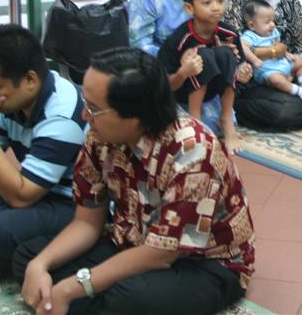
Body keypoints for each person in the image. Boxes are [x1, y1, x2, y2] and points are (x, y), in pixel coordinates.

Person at [14, 48, 255, 315]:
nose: (84, 116)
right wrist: (40, 264)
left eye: (93, 109)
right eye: (86, 103)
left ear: (136, 115)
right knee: (30, 259)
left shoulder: (192, 148)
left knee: (126, 300)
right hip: (131, 242)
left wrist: (74, 287)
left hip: (202, 263)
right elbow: (86, 222)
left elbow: (162, 254)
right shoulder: (100, 136)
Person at [0, 25, 86, 283]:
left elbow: (22, 197)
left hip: (72, 206)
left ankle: (1, 257)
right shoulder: (9, 99)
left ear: (30, 80)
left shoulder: (62, 114)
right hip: (31, 188)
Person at [128, 0, 243, 133]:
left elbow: (214, 31)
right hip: (164, 74)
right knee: (176, 130)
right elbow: (138, 47)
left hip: (201, 71)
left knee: (219, 120)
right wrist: (179, 57)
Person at [158, 0, 246, 153]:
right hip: (182, 93)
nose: (216, 7)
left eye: (220, 1)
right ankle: (195, 122)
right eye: (207, 3)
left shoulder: (229, 32)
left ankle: (226, 120)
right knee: (203, 55)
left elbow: (240, 68)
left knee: (225, 52)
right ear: (189, 8)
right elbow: (165, 85)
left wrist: (243, 71)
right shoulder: (179, 39)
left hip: (214, 92)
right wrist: (183, 72)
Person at [240, 0, 302, 100]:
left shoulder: (273, 32)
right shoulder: (250, 36)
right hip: (268, 71)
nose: (272, 24)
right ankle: (297, 91)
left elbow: (278, 45)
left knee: (299, 59)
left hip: (282, 62)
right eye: (267, 22)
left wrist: (286, 53)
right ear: (252, 26)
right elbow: (243, 47)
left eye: (272, 20)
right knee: (276, 80)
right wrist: (254, 60)